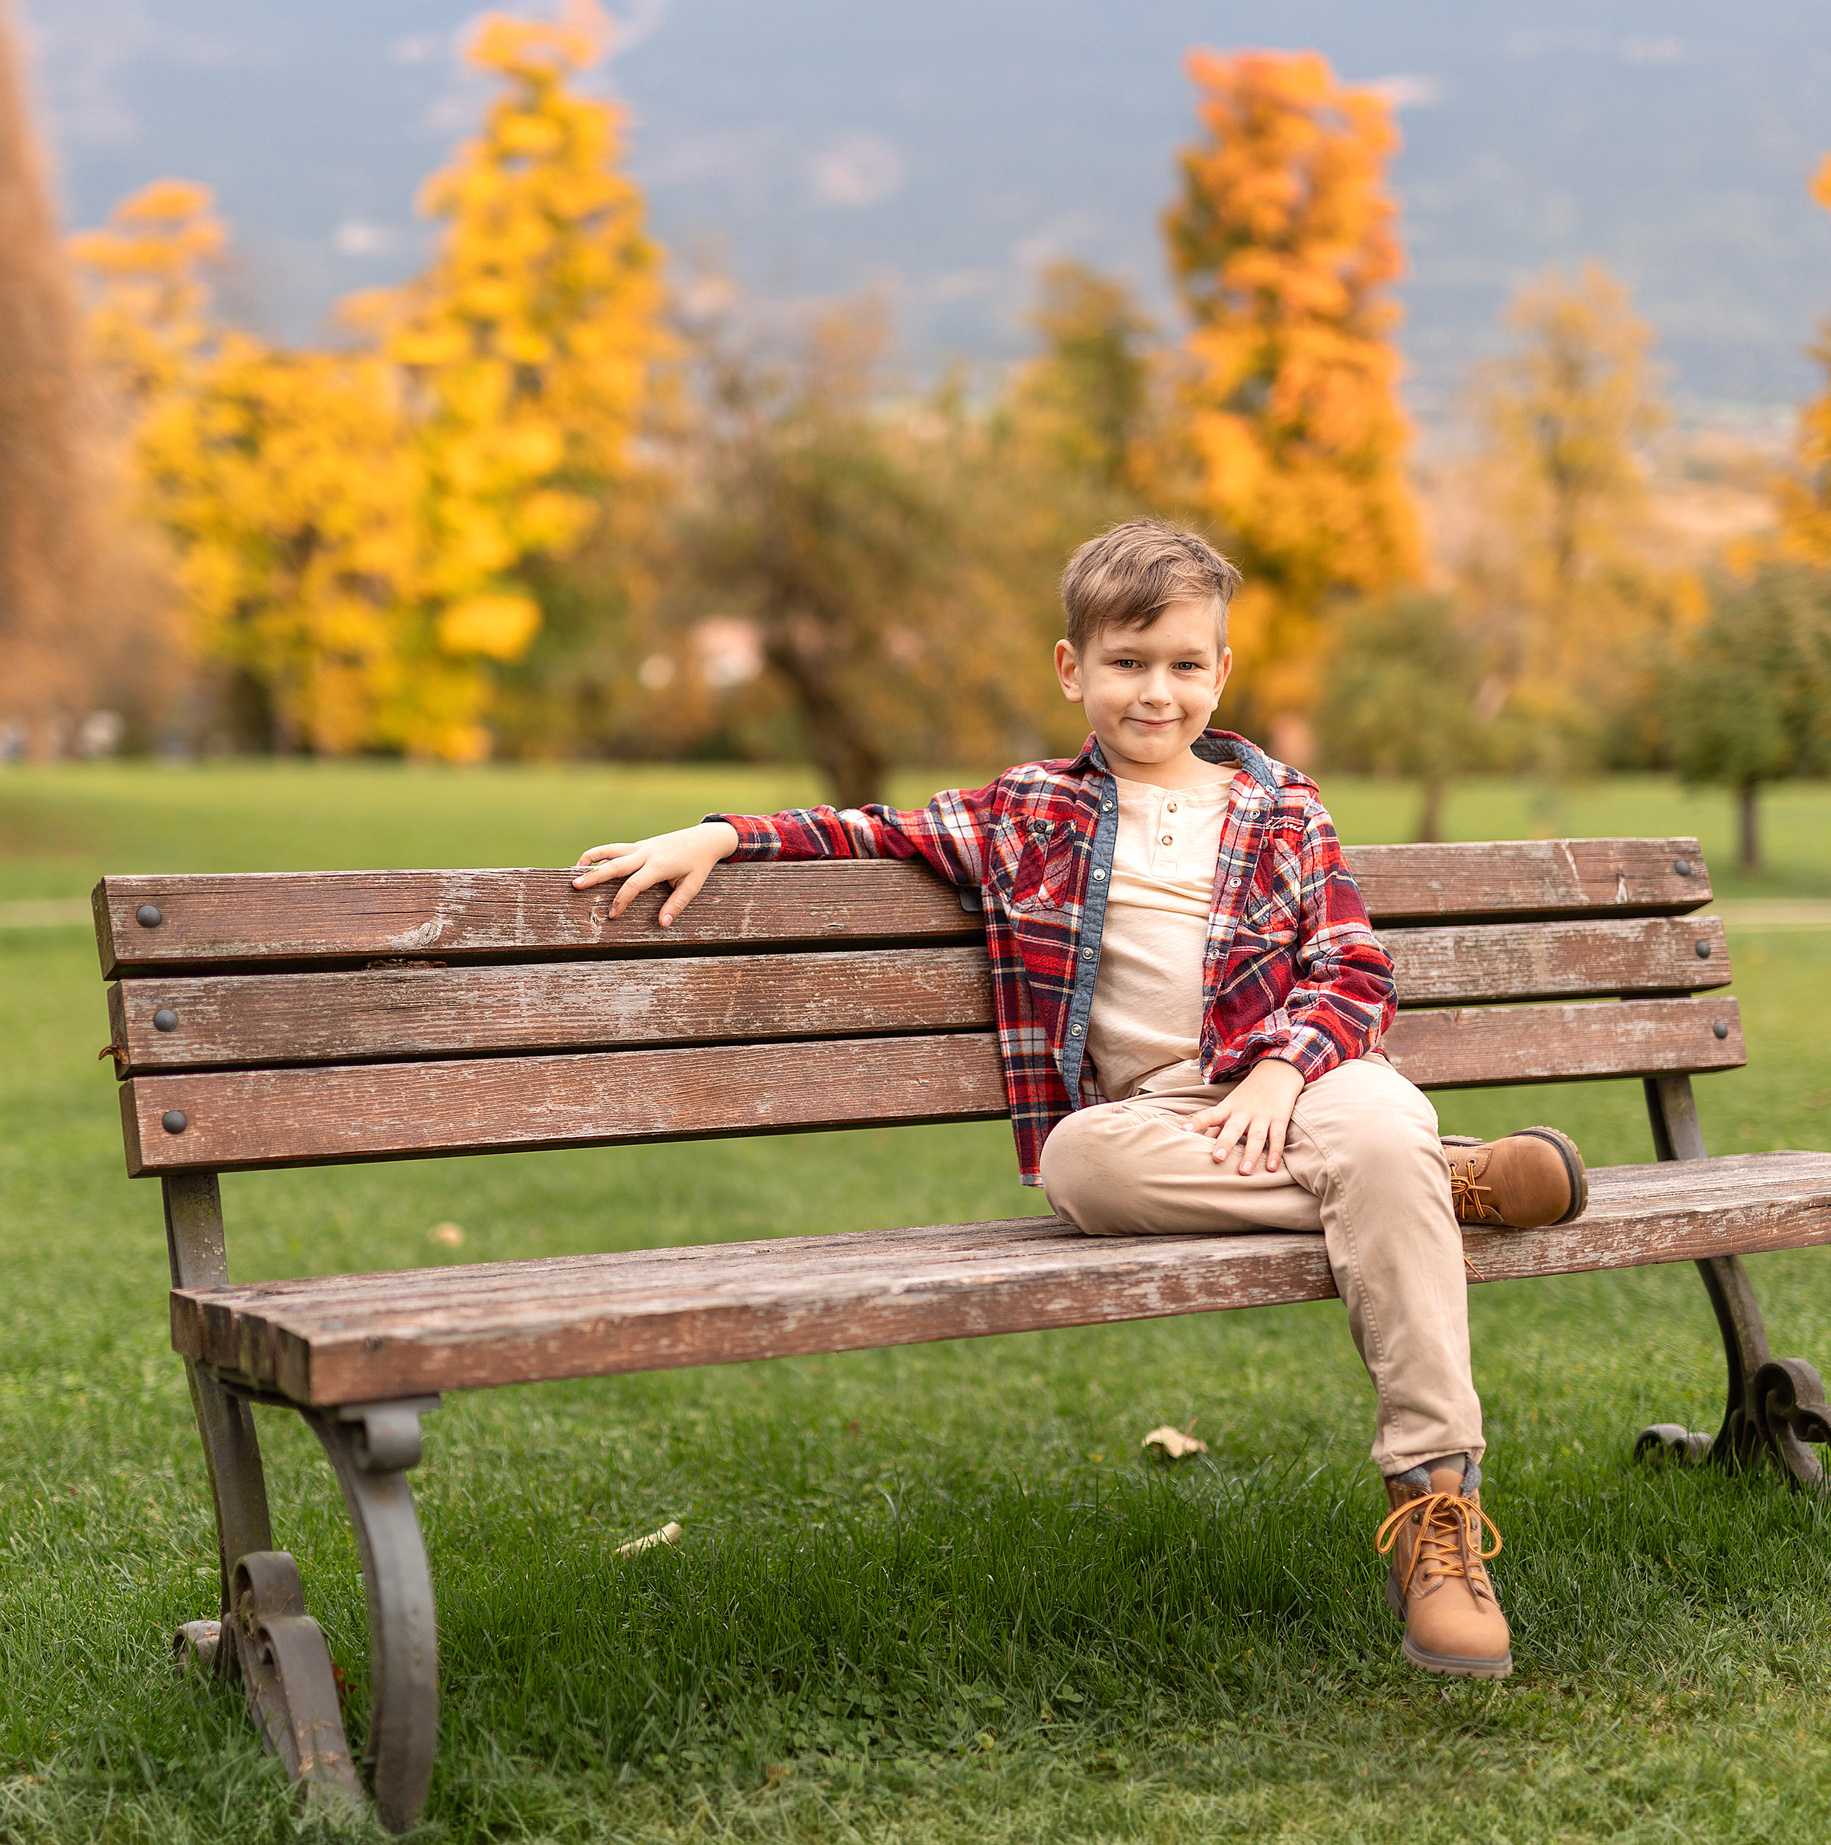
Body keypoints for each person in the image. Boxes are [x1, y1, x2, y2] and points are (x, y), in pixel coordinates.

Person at [572, 519, 1589, 1680]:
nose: (1156, 693)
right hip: (1159, 1125)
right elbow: (865, 826)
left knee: (1374, 1129)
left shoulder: (1282, 809)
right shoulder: (1023, 815)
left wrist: (1277, 1070)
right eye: (1127, 663)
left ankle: (1434, 1505)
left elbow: (1354, 970)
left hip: (1311, 1083)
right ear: (1073, 669)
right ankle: (1436, 1184)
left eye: (1183, 666)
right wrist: (718, 830)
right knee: (1076, 1168)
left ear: (1221, 672)